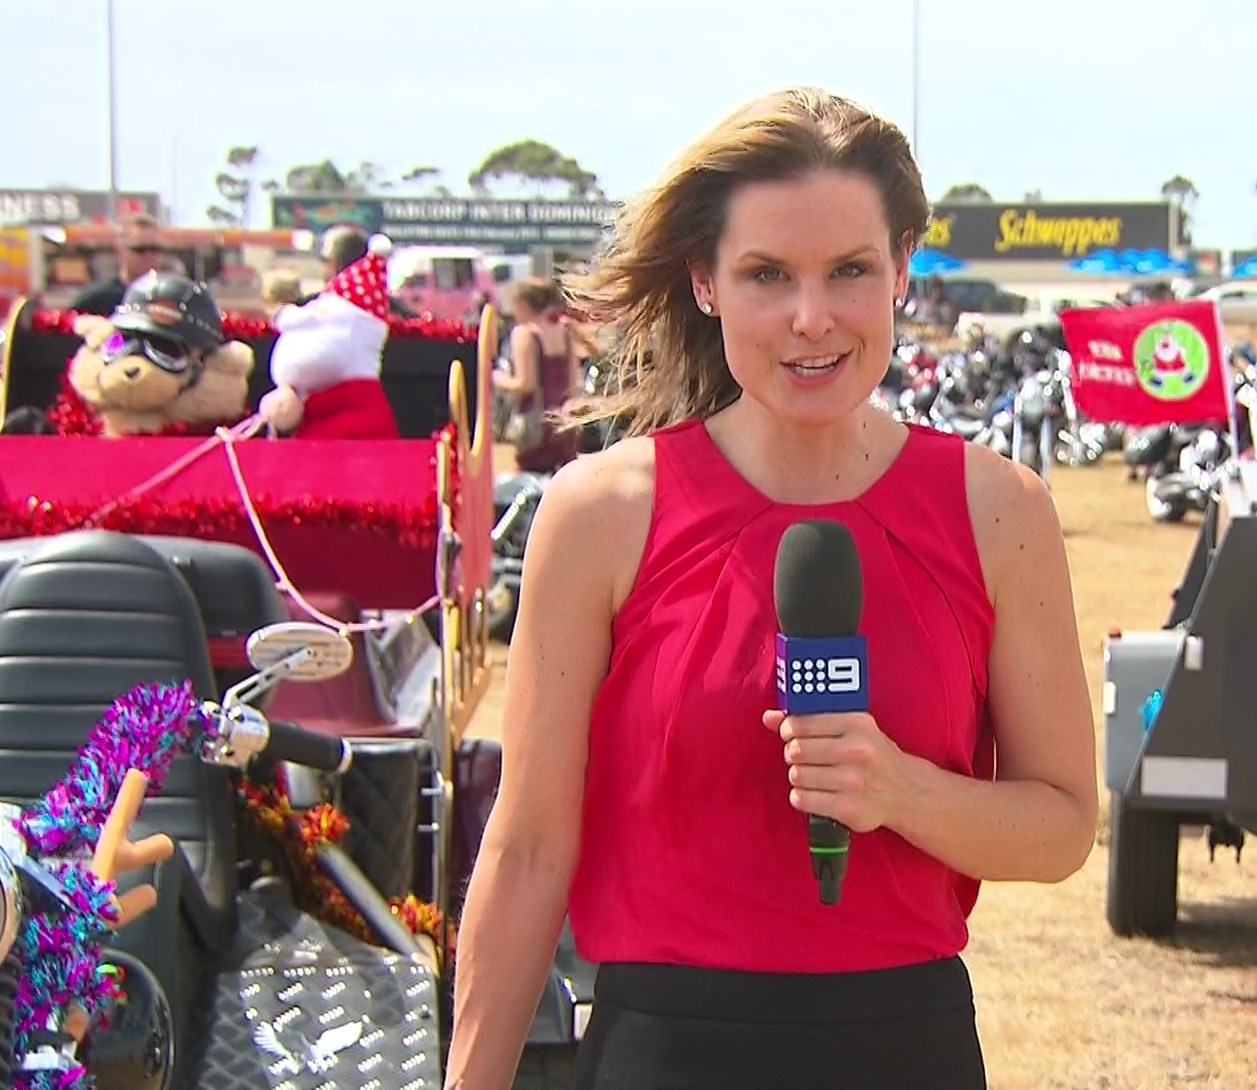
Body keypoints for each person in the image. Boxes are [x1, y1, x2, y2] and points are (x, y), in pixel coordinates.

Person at [444, 86, 1098, 1090]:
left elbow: (1061, 825)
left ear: (902, 270)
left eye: (849, 271)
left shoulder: (1001, 510)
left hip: (907, 1052)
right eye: (767, 275)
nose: (811, 318)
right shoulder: (599, 513)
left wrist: (900, 790)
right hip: (660, 1055)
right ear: (703, 281)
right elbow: (529, 849)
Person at [494, 278, 581, 473]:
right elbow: (573, 382)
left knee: (531, 481)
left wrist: (498, 379)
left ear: (523, 304)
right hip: (563, 422)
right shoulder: (564, 332)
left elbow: (526, 383)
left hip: (537, 426)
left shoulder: (525, 333)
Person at [70, 214, 166, 315]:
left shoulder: (169, 301)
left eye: (155, 249)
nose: (150, 256)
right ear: (121, 250)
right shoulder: (94, 300)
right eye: (140, 250)